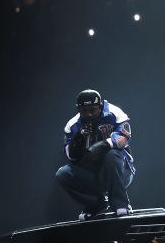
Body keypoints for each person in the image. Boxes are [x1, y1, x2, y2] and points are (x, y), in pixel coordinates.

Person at [55, 89, 135, 220]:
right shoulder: (72, 125)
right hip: (93, 175)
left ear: (100, 106)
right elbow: (70, 156)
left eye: (92, 110)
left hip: (122, 172)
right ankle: (95, 204)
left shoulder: (116, 113)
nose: (89, 114)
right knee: (62, 174)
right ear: (79, 110)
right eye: (84, 111)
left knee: (112, 155)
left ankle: (121, 202)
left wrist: (104, 145)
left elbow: (125, 137)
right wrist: (78, 139)